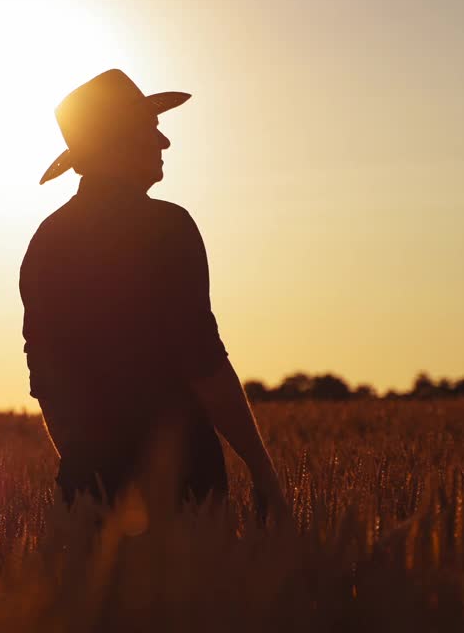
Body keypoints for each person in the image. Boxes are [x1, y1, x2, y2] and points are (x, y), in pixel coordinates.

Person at [19, 69, 289, 522]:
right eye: (151, 129)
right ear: (118, 142)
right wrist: (262, 470)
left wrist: (90, 470)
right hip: (182, 485)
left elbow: (45, 380)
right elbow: (202, 358)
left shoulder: (45, 242)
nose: (164, 143)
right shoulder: (166, 227)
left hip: (85, 494)